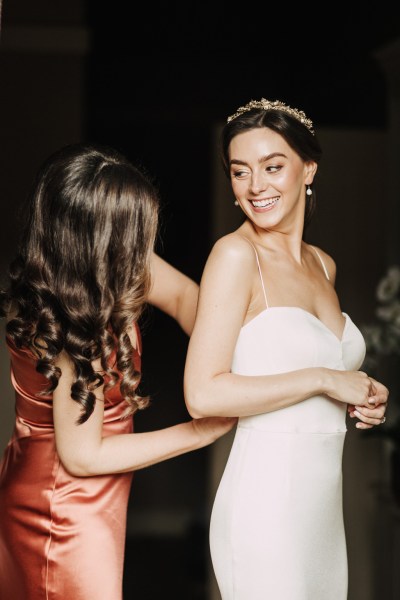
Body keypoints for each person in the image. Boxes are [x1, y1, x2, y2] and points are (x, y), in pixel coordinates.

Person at [0, 142, 236, 600]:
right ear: (97, 238)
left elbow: (188, 298)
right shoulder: (70, 326)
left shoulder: (116, 263)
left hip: (94, 490)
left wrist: (228, 365)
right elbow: (82, 457)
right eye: (134, 230)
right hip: (60, 505)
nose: (144, 243)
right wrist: (201, 431)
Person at [183, 98, 389, 599]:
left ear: (308, 169)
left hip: (321, 513)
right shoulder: (235, 256)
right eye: (240, 172)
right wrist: (324, 378)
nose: (256, 186)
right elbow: (203, 395)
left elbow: (319, 367)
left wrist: (360, 392)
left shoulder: (323, 265)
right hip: (264, 509)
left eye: (273, 167)